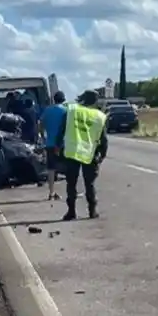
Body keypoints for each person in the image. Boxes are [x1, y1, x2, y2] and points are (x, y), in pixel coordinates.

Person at [60, 90, 109, 221]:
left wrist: (59, 147)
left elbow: (62, 130)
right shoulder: (99, 116)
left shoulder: (72, 111)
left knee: (71, 183)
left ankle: (71, 212)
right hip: (90, 153)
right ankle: (92, 211)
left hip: (72, 151)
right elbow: (103, 139)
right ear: (95, 101)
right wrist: (102, 156)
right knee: (90, 184)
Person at [39, 91, 68, 201]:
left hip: (50, 143)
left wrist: (43, 136)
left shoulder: (47, 110)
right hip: (63, 143)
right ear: (63, 99)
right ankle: (70, 191)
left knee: (51, 169)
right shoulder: (65, 111)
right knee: (68, 168)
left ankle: (51, 192)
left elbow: (40, 124)